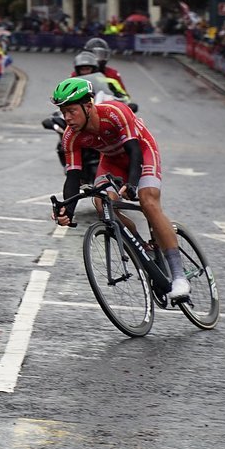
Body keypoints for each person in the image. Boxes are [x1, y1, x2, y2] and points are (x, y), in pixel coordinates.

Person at [49, 77, 189, 301]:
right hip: (112, 160)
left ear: (88, 106)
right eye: (63, 112)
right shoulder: (70, 136)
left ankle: (179, 276)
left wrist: (132, 184)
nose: (67, 118)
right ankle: (142, 248)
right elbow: (73, 176)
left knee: (148, 200)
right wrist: (68, 209)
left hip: (141, 151)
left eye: (71, 111)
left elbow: (134, 151)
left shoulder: (115, 112)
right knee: (101, 203)